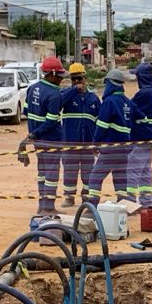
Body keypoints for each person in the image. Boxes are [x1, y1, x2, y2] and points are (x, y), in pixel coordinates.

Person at [17, 56, 66, 215]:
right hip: (51, 140)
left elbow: (25, 111)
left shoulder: (32, 88)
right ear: (51, 74)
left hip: (37, 141)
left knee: (42, 173)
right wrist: (36, 132)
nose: (60, 80)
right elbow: (51, 122)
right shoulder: (54, 94)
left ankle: (41, 205)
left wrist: (33, 133)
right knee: (51, 175)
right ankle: (48, 207)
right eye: (59, 76)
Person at [83, 68, 139, 205]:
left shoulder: (109, 102)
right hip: (125, 149)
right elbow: (141, 119)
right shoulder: (128, 102)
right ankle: (123, 205)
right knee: (120, 178)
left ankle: (92, 207)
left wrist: (95, 143)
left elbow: (101, 126)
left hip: (111, 148)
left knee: (95, 177)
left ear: (110, 84)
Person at [57, 62, 99, 208]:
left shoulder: (93, 99)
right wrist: (74, 90)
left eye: (79, 79)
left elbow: (99, 121)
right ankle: (69, 197)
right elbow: (59, 103)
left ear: (84, 78)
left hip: (88, 143)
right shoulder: (66, 95)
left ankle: (86, 196)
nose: (76, 82)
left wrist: (97, 143)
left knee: (88, 172)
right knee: (70, 170)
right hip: (70, 142)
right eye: (73, 79)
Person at [127, 61, 152, 209]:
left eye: (137, 76)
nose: (136, 79)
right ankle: (146, 203)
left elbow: (129, 107)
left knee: (132, 170)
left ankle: (129, 203)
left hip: (142, 137)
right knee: (145, 171)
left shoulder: (144, 93)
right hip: (151, 136)